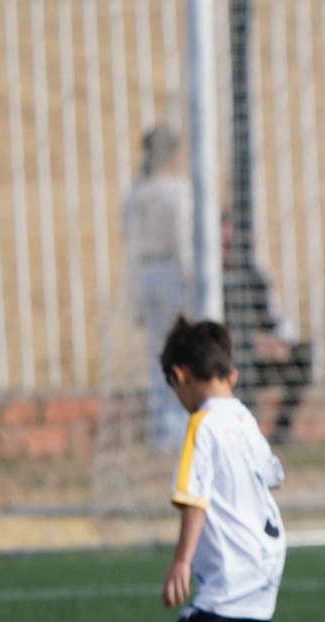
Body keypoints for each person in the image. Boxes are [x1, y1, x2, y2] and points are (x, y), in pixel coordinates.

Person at [132, 317, 325, 622]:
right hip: (267, 552)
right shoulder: (242, 416)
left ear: (179, 376)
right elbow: (274, 475)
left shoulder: (202, 425)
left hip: (235, 564)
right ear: (232, 374)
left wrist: (181, 561)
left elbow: (193, 498)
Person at [122, 124, 193, 452]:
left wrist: (136, 299)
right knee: (183, 354)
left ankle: (161, 431)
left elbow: (130, 248)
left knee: (157, 357)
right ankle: (178, 428)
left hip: (146, 276)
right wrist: (191, 287)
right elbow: (183, 241)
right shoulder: (178, 191)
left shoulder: (135, 194)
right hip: (172, 274)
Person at [223, 215, 314, 446]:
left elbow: (274, 320)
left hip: (255, 356)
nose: (228, 248)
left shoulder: (254, 276)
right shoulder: (208, 281)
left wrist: (279, 343)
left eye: (232, 242)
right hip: (225, 360)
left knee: (303, 354)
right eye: (224, 243)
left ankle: (281, 430)